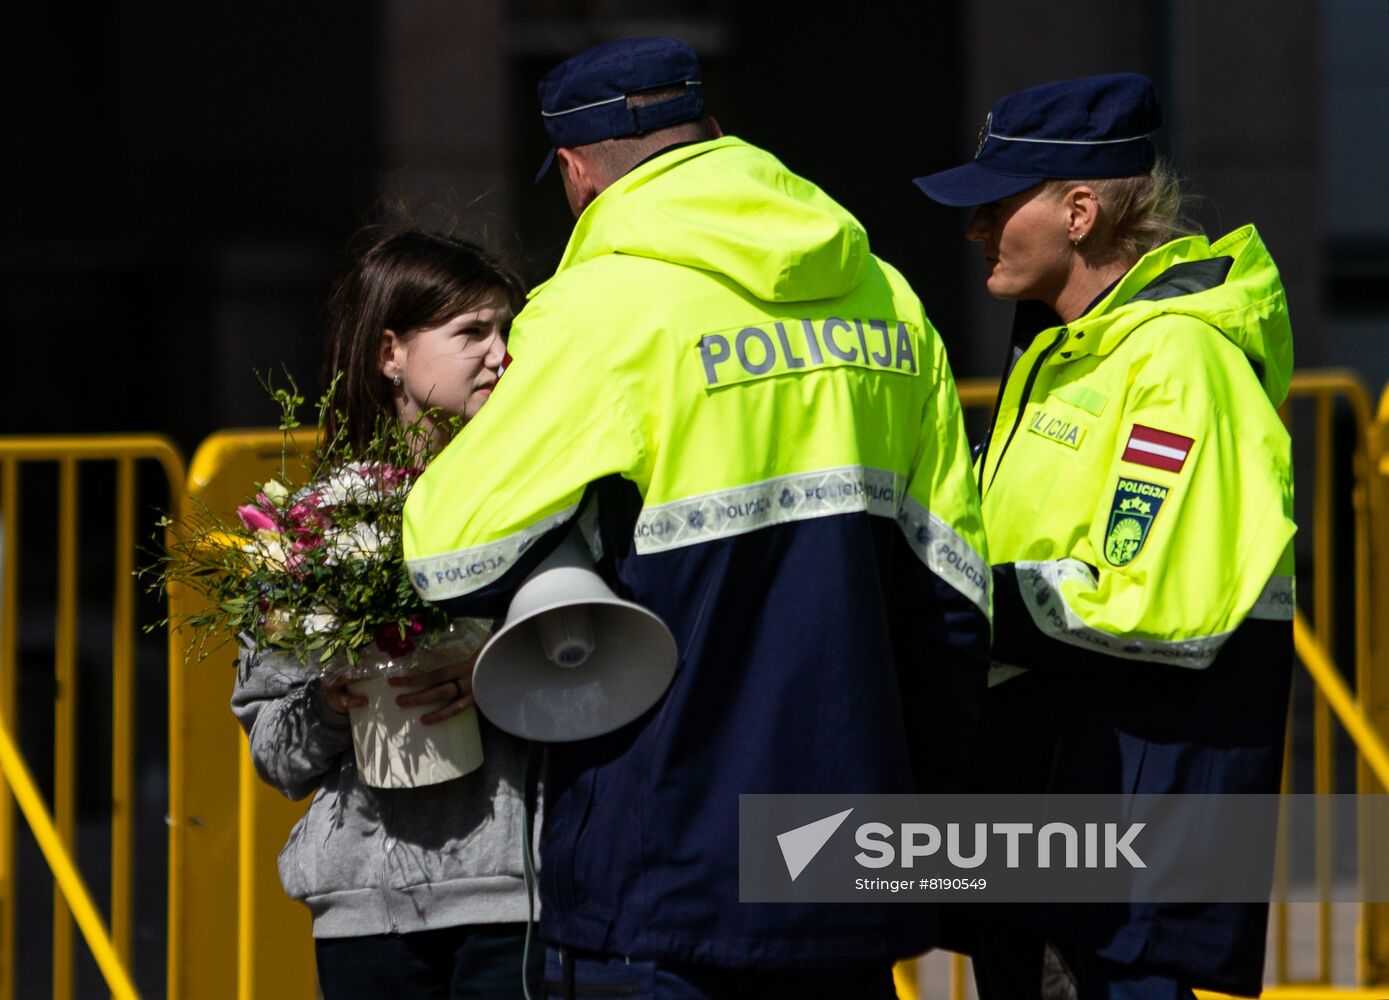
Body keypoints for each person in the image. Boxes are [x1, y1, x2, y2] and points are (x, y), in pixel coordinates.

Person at [401, 35, 991, 1000]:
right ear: (714, 136)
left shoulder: (595, 311)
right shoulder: (888, 297)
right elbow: (953, 596)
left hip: (665, 868)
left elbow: (450, 550)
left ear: (579, 171)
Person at [914, 74, 1295, 999]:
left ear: (1078, 211)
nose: (974, 231)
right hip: (1054, 801)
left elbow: (1149, 598)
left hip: (1125, 825)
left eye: (996, 206)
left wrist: (944, 606)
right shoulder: (1066, 345)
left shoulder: (1178, 357)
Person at [231, 230, 543, 1000]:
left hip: (517, 897)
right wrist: (337, 701)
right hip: (363, 915)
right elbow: (275, 753)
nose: (500, 355)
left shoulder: (545, 500)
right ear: (390, 353)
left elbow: (603, 673)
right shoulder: (309, 530)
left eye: (506, 330)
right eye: (472, 332)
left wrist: (497, 671)